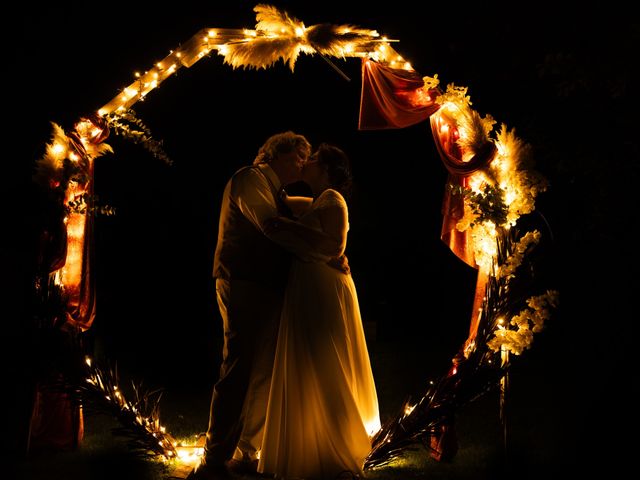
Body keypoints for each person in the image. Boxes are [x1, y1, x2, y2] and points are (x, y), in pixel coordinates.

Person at [187, 131, 312, 480]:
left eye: (305, 158)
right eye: (297, 157)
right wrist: (318, 249)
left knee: (264, 369)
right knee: (239, 365)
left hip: (266, 284)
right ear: (274, 154)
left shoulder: (280, 191)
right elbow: (268, 225)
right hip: (241, 279)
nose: (302, 164)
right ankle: (214, 458)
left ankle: (247, 451)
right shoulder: (250, 178)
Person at [258, 143, 381, 480]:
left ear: (327, 170)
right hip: (307, 281)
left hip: (322, 285)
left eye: (313, 160)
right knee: (308, 360)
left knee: (323, 357)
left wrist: (290, 227)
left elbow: (335, 245)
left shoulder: (333, 199)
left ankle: (339, 444)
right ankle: (309, 441)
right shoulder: (318, 202)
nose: (307, 163)